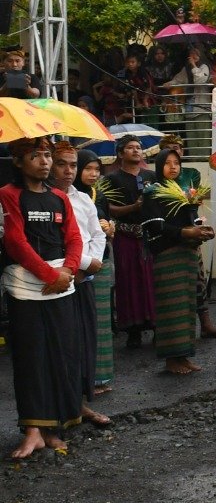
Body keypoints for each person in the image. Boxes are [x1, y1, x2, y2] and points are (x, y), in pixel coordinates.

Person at [3, 138, 85, 459]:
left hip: (62, 285)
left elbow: (74, 238)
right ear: (19, 162)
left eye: (47, 155)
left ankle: (54, 429)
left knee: (62, 357)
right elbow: (14, 241)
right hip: (26, 288)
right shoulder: (8, 195)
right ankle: (33, 432)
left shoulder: (60, 198)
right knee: (31, 359)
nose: (44, 162)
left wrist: (68, 270)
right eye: (35, 156)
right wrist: (51, 276)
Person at [52, 146, 112, 428]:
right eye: (61, 164)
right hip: (59, 277)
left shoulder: (83, 199)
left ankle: (78, 403)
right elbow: (55, 241)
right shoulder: (43, 199)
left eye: (73, 165)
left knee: (84, 342)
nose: (69, 171)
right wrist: (83, 263)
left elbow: (96, 234)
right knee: (61, 346)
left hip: (85, 277)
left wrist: (93, 263)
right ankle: (56, 408)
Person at [142, 147, 210, 376]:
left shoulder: (184, 191)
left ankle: (184, 355)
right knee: (171, 307)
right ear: (159, 166)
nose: (173, 167)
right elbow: (155, 225)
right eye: (168, 163)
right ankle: (171, 359)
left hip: (187, 253)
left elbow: (190, 220)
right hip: (167, 254)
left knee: (187, 306)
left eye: (177, 163)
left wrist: (200, 228)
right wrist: (185, 233)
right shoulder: (153, 192)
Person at [104, 136, 154, 348]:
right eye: (131, 148)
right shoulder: (111, 178)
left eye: (138, 147)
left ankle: (157, 327)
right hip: (125, 236)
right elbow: (109, 209)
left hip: (150, 237)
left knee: (151, 282)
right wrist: (133, 207)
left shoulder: (151, 175)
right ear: (120, 153)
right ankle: (132, 331)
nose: (136, 151)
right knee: (129, 283)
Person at [74, 149, 116, 394]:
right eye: (88, 168)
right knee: (84, 323)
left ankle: (101, 376)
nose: (92, 174)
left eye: (97, 170)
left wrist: (110, 228)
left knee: (101, 322)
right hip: (80, 263)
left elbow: (109, 227)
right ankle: (85, 380)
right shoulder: (70, 196)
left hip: (102, 260)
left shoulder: (97, 195)